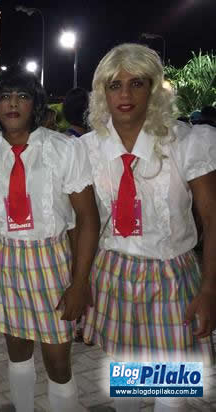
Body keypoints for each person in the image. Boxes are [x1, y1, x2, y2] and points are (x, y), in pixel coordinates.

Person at [81, 43, 216, 412]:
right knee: (127, 385)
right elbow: (84, 223)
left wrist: (209, 289)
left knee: (171, 392)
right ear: (103, 92)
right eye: (114, 85)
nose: (125, 94)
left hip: (171, 275)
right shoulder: (87, 148)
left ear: (153, 88)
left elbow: (212, 219)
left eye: (136, 83)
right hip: (113, 271)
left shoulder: (187, 142)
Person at [0, 66, 100, 412]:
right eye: (5, 96)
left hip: (51, 262)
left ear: (36, 104)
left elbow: (87, 219)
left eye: (22, 96)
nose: (12, 104)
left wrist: (80, 283)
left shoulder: (64, 149)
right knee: (17, 352)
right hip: (4, 260)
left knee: (58, 361)